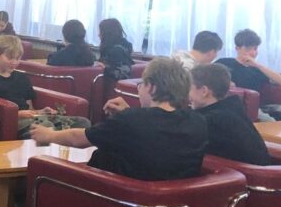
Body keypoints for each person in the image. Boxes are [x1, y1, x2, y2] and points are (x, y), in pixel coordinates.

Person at [32, 58, 208, 181]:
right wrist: (129, 112)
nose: (139, 89)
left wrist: (48, 135)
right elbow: (156, 129)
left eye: (141, 84)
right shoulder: (198, 122)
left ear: (152, 87)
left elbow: (78, 139)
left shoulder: (131, 120)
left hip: (116, 200)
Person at [0, 36, 91, 137]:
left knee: (82, 123)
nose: (14, 62)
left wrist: (41, 112)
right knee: (45, 126)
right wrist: (19, 114)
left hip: (31, 119)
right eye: (10, 58)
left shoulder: (22, 78)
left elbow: (30, 107)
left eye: (17, 58)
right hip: (10, 121)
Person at [217, 29, 281, 122]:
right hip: (243, 107)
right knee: (270, 122)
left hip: (265, 106)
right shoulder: (225, 63)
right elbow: (213, 81)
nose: (253, 53)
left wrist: (257, 65)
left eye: (255, 48)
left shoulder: (258, 69)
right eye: (248, 49)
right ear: (237, 49)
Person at [189, 64, 271, 166]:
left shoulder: (212, 121)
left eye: (189, 89)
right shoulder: (233, 109)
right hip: (256, 171)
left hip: (247, 174)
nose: (186, 95)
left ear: (204, 91)